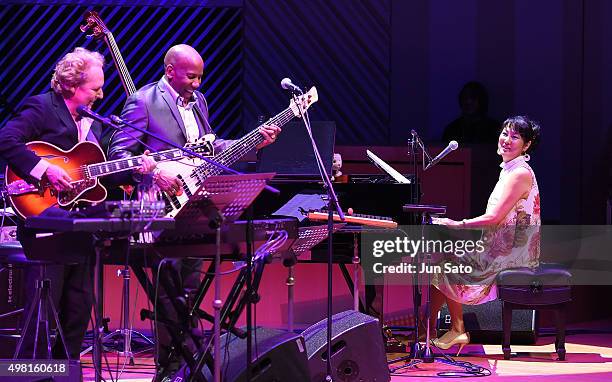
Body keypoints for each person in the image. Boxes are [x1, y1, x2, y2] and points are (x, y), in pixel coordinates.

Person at [108, 43, 281, 381]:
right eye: (191, 76)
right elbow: (119, 154)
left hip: (194, 206)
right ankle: (170, 369)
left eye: (201, 76)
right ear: (170, 70)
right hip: (159, 209)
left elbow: (207, 148)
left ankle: (188, 369)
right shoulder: (143, 101)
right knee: (168, 294)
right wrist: (154, 171)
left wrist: (252, 143)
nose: (197, 83)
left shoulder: (198, 102)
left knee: (189, 289)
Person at [0, 47, 107, 359]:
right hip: (44, 220)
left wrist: (140, 166)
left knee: (78, 307)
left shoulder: (95, 123)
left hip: (80, 225)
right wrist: (45, 169)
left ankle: (66, 373)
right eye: (94, 89)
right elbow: (6, 139)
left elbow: (96, 174)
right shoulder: (42, 107)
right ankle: (34, 374)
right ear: (72, 86)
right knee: (44, 309)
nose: (99, 95)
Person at [429, 116, 541, 354]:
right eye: (504, 133)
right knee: (438, 256)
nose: (506, 140)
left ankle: (453, 328)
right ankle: (428, 331)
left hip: (513, 252)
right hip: (501, 244)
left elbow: (494, 219)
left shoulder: (519, 173)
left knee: (444, 260)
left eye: (515, 137)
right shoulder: (510, 169)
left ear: (527, 145)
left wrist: (457, 224)